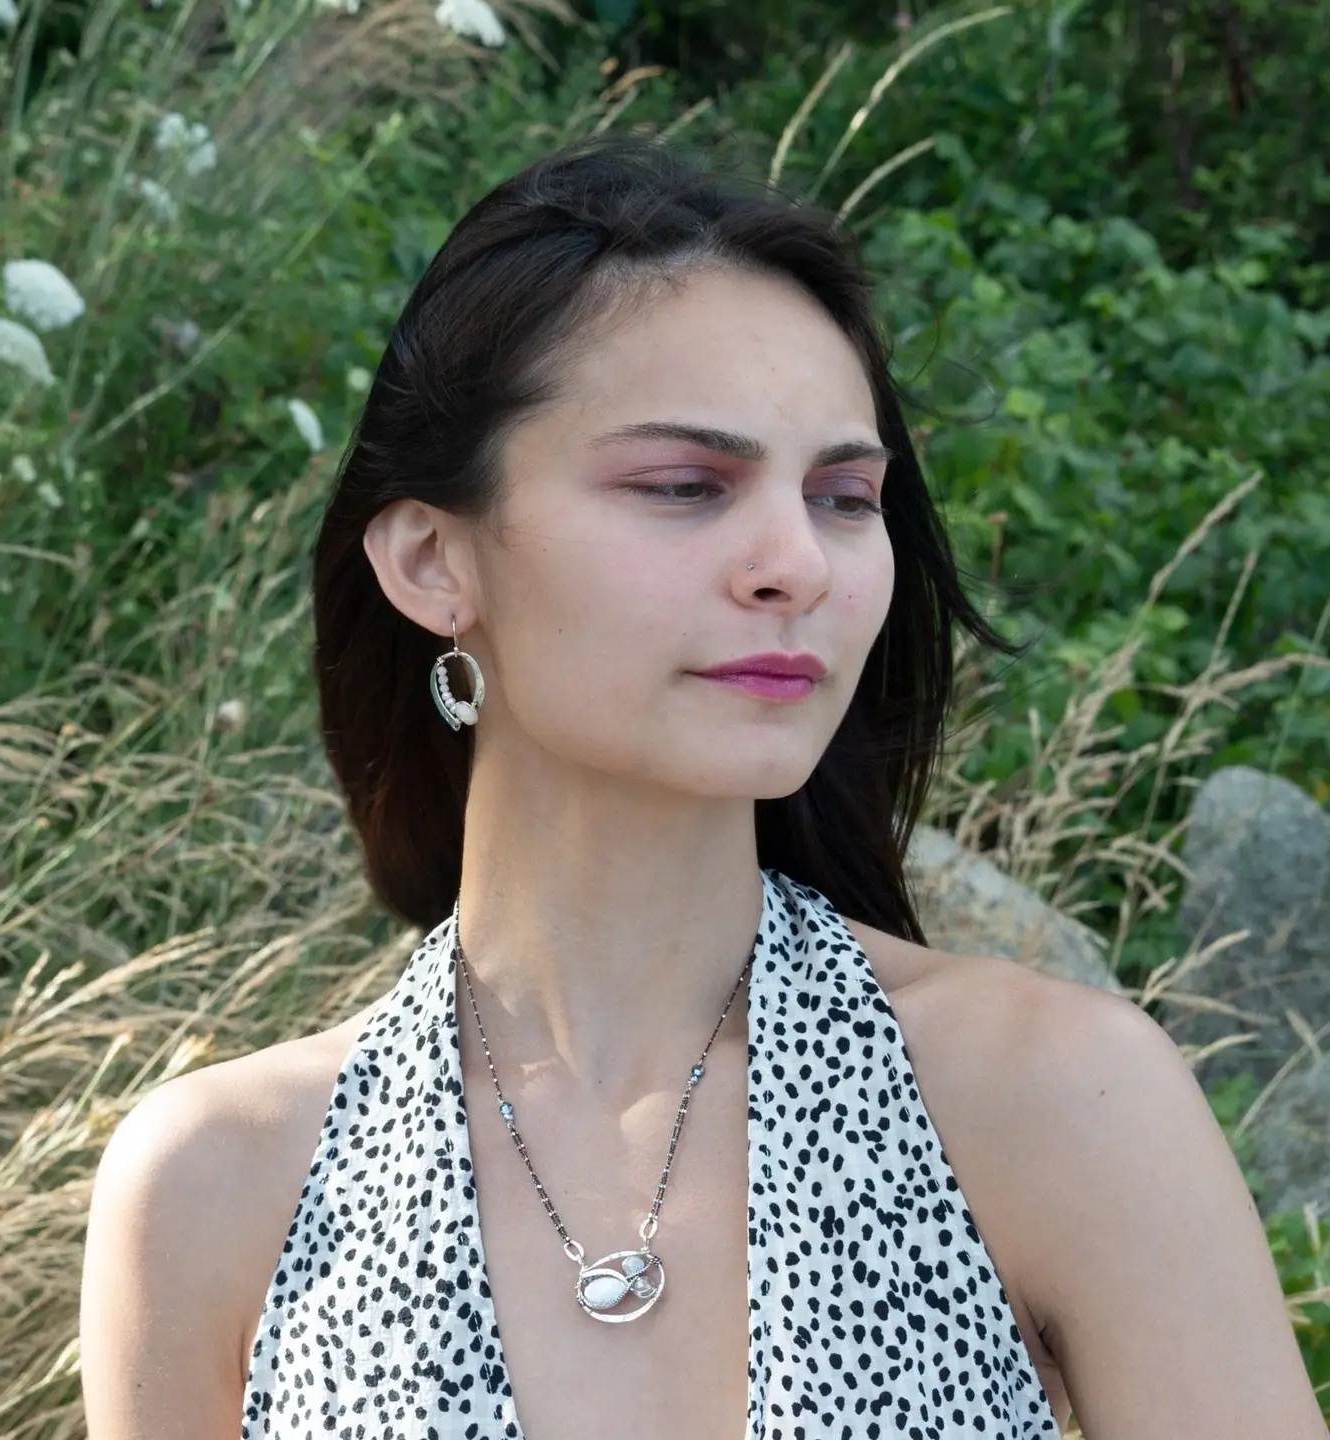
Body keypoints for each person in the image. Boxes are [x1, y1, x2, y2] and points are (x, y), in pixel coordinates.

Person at [78, 135, 1324, 1440]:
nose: (796, 561)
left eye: (845, 497)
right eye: (685, 486)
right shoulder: (221, 1187)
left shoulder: (1058, 1102)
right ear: (434, 561)